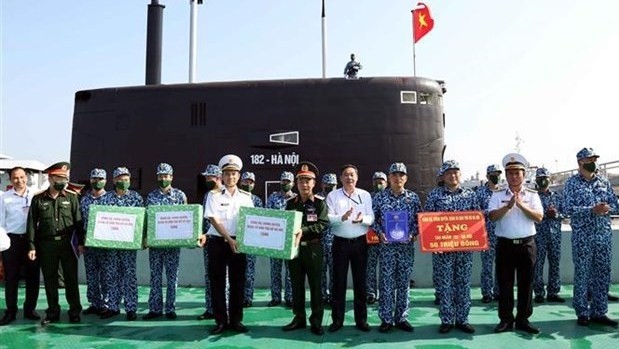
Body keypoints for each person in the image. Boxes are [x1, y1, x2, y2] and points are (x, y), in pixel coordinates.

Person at [198, 154, 254, 335]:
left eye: (234, 174)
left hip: (239, 243)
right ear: (222, 176)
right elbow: (213, 219)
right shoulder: (213, 196)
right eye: (227, 174)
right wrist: (229, 240)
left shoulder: (246, 197)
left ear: (239, 176)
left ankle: (236, 320)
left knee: (238, 282)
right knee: (217, 282)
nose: (231, 177)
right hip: (218, 243)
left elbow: (251, 221)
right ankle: (221, 321)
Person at [563, 147, 618, 327]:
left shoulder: (603, 181)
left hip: (603, 236)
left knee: (602, 273)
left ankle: (599, 311)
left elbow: (615, 204)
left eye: (595, 158)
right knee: (582, 274)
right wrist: (591, 210)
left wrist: (607, 207)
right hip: (582, 237)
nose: (594, 162)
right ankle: (582, 312)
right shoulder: (572, 183)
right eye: (590, 159)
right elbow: (567, 210)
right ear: (580, 162)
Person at [489, 153, 543, 334]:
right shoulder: (497, 195)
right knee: (505, 283)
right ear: (506, 175)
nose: (514, 176)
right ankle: (505, 319)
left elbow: (539, 217)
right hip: (505, 245)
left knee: (526, 284)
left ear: (524, 175)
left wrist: (521, 205)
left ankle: (523, 319)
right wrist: (508, 206)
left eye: (517, 173)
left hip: (527, 245)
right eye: (510, 173)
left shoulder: (533, 195)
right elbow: (492, 217)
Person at [425, 160, 480, 334]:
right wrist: (435, 243)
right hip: (443, 251)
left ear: (460, 174)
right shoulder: (435, 195)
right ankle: (447, 320)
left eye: (455, 172)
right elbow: (426, 220)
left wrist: (476, 240)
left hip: (464, 249)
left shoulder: (470, 195)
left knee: (463, 284)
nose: (453, 175)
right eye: (449, 172)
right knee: (445, 285)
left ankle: (463, 319)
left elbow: (478, 219)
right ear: (443, 176)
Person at [26, 162, 84, 325]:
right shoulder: (38, 199)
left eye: (65, 178)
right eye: (59, 178)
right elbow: (31, 223)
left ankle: (74, 311)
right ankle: (53, 311)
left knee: (71, 278)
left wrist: (81, 242)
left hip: (67, 244)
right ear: (50, 178)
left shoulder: (72, 198)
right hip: (47, 245)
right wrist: (31, 246)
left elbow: (78, 222)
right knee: (50, 279)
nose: (62, 181)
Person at [372, 163, 421, 333]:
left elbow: (419, 221)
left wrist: (413, 233)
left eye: (401, 175)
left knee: (403, 283)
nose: (398, 178)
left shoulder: (413, 198)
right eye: (394, 174)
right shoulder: (380, 197)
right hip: (387, 248)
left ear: (406, 178)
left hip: (406, 247)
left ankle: (401, 318)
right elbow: (373, 219)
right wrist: (380, 233)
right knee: (386, 283)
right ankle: (386, 319)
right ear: (389, 177)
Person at [282, 161, 329, 335]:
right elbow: (284, 224)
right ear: (296, 182)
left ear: (314, 183)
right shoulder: (290, 203)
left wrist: (303, 230)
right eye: (301, 180)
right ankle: (299, 318)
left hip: (313, 249)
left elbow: (323, 224)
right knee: (296, 285)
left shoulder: (319, 204)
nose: (304, 184)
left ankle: (316, 320)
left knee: (316, 285)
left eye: (308, 180)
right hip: (294, 250)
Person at [326, 164, 374, 332]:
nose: (349, 178)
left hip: (360, 243)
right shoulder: (333, 196)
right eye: (346, 175)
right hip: (340, 244)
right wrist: (342, 217)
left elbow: (371, 217)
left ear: (357, 177)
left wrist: (363, 220)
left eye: (352, 175)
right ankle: (337, 320)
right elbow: (329, 218)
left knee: (360, 283)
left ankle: (361, 320)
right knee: (338, 283)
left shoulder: (365, 195)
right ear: (341, 178)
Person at [99, 167, 144, 321]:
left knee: (129, 276)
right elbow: (101, 220)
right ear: (113, 180)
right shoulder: (106, 198)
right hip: (111, 246)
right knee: (112, 275)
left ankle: (131, 308)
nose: (123, 182)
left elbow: (141, 221)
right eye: (120, 179)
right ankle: (113, 306)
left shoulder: (136, 198)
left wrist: (142, 239)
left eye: (126, 179)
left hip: (129, 246)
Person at [143, 163, 188, 320]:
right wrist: (145, 238)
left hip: (173, 245)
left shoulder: (180, 196)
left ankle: (170, 308)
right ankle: (155, 308)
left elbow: (185, 218)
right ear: (157, 177)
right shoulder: (151, 196)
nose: (163, 178)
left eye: (166, 176)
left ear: (171, 177)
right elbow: (147, 219)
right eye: (161, 176)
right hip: (155, 245)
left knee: (172, 277)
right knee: (155, 276)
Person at [0, 167, 40, 325]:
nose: (20, 180)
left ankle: (30, 309)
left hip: (32, 241)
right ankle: (10, 311)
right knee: (11, 278)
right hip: (12, 241)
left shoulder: (35, 195)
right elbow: (1, 222)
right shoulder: (4, 198)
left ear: (27, 178)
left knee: (33, 276)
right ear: (10, 180)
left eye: (22, 177)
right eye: (15, 178)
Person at [532, 167, 565, 304]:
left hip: (555, 235)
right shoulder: (533, 197)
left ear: (550, 179)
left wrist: (556, 214)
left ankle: (553, 291)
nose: (543, 181)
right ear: (536, 180)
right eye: (540, 178)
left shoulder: (557, 196)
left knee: (555, 263)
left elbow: (566, 213)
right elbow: (529, 215)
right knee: (537, 265)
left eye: (545, 178)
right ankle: (539, 292)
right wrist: (545, 215)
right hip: (538, 236)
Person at [80, 168, 108, 315]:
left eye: (100, 179)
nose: (97, 182)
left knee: (106, 274)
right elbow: (80, 222)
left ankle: (106, 302)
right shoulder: (84, 199)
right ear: (91, 180)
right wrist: (81, 241)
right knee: (91, 274)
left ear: (106, 181)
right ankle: (94, 303)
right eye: (94, 179)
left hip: (105, 244)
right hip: (88, 243)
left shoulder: (110, 199)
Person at [266, 171, 295, 307]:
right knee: (275, 270)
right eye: (283, 181)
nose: (285, 183)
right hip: (275, 240)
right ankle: (276, 297)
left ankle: (290, 297)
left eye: (288, 181)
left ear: (292, 183)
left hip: (290, 241)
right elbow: (266, 215)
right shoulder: (273, 197)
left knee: (291, 271)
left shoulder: (296, 198)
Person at [197, 164, 222, 320]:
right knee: (210, 276)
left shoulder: (226, 194)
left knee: (224, 277)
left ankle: (222, 309)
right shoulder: (208, 195)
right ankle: (210, 309)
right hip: (209, 241)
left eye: (209, 177)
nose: (206, 180)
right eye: (205, 177)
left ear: (218, 177)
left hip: (224, 240)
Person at [477, 164, 502, 303]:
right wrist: (490, 213)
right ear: (487, 176)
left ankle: (499, 292)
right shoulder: (480, 193)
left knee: (501, 265)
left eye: (498, 174)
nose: (496, 177)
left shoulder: (504, 192)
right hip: (486, 235)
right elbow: (474, 212)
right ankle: (487, 292)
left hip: (502, 234)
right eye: (493, 174)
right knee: (487, 265)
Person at [239, 171, 263, 308]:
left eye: (250, 182)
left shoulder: (257, 201)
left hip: (251, 241)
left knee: (249, 271)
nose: (247, 184)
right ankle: (236, 297)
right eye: (245, 181)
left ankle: (248, 297)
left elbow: (261, 221)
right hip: (236, 240)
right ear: (240, 182)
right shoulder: (234, 197)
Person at [367, 171, 387, 305]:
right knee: (370, 266)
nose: (378, 184)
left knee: (385, 267)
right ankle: (370, 293)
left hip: (387, 239)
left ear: (386, 183)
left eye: (381, 181)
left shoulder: (390, 197)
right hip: (370, 238)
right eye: (376, 181)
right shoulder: (366, 198)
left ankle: (385, 293)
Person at [318, 172, 337, 305]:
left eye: (332, 185)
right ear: (322, 184)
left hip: (336, 242)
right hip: (319, 241)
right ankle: (322, 295)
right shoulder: (316, 200)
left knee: (334, 271)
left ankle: (333, 296)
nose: (329, 187)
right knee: (320, 271)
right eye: (327, 184)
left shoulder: (340, 199)